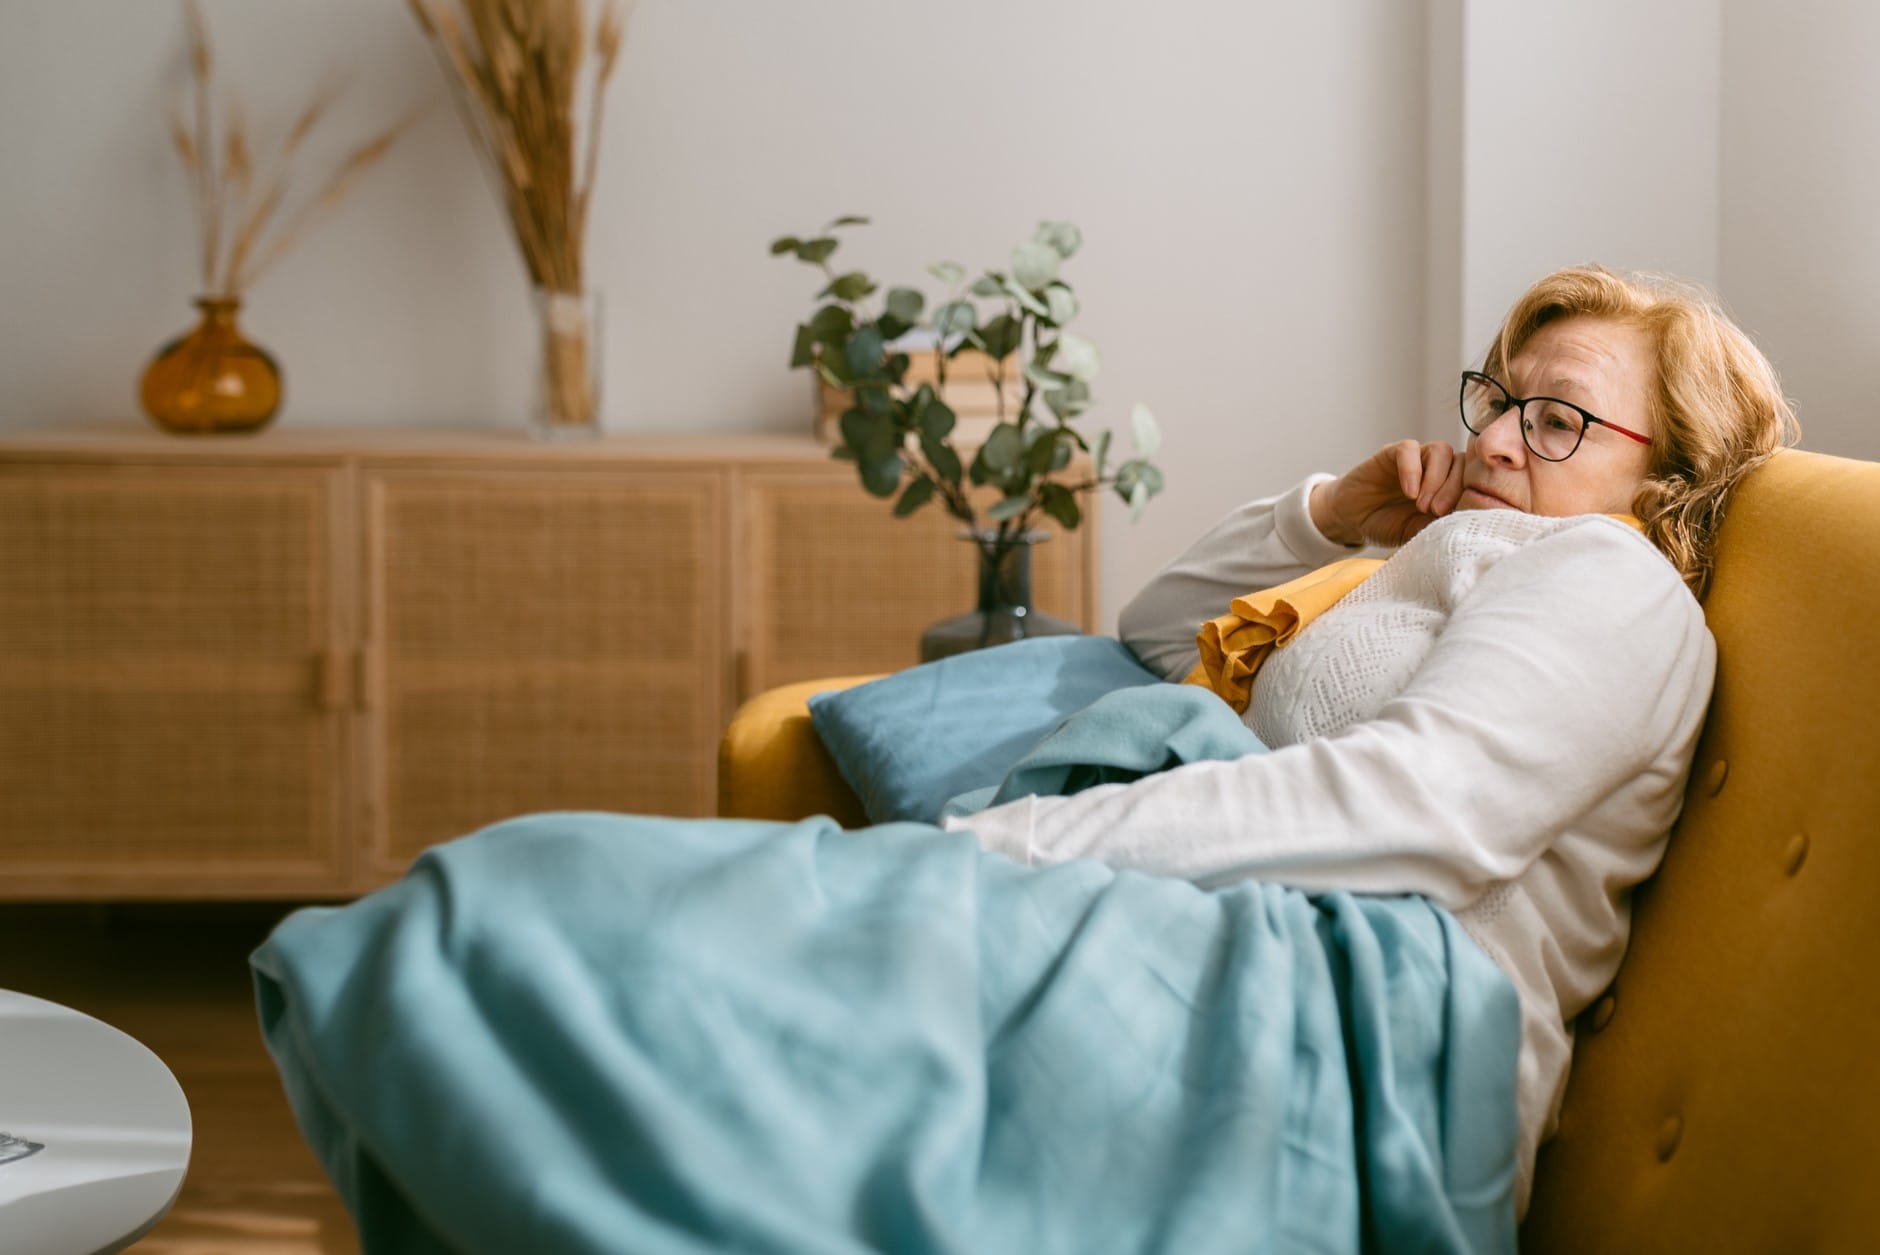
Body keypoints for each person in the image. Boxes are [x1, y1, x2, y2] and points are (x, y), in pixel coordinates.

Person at [947, 263, 1800, 1215]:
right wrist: (1335, 515)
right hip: (1232, 944)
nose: (1494, 441)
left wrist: (1007, 848)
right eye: (1499, 399)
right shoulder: (1433, 560)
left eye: (1559, 420)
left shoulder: (1610, 576)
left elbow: (1416, 805)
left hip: (1351, 1042)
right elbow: (1154, 630)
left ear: (1667, 480)